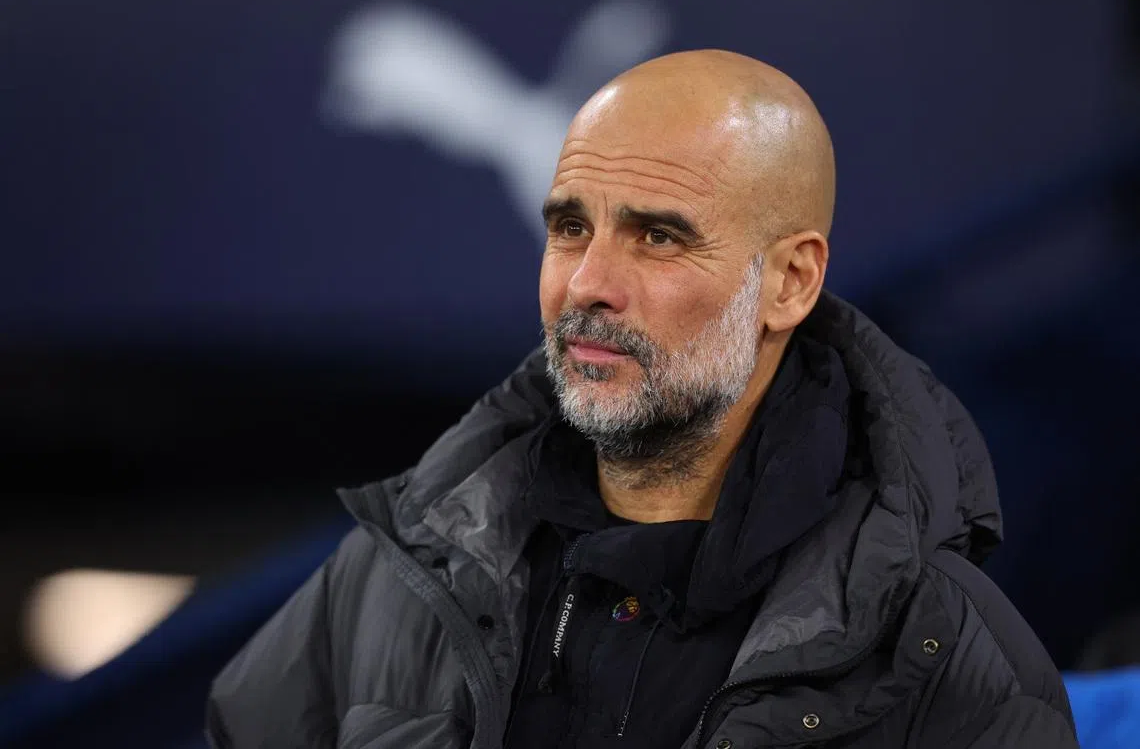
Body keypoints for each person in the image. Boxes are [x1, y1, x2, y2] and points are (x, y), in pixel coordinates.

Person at [206, 50, 1078, 748]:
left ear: (790, 282)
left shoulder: (952, 659)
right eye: (570, 228)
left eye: (659, 236)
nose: (587, 284)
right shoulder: (393, 575)